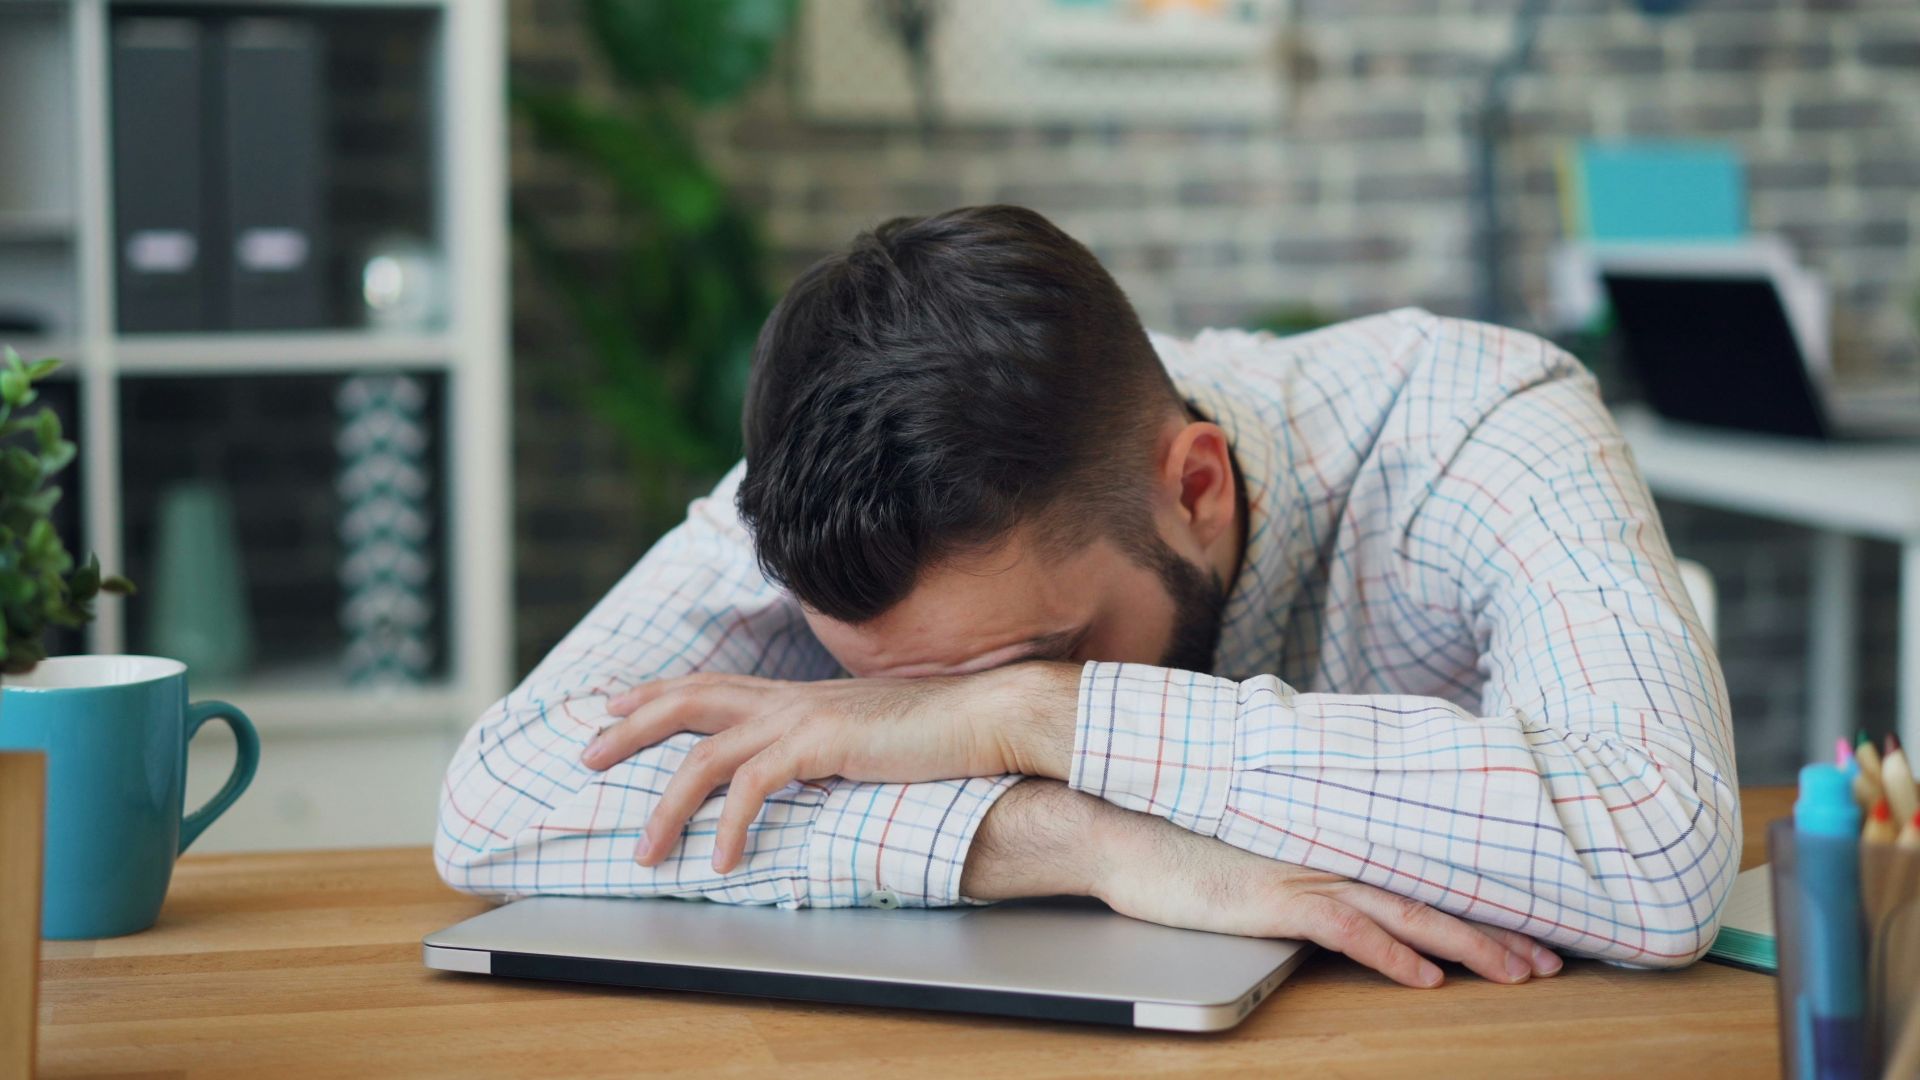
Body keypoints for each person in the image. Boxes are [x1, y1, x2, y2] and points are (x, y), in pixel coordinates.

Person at [436, 205, 1738, 989]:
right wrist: (1071, 839)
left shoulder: (1482, 422)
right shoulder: (825, 492)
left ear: (1198, 486)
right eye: (902, 692)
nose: (927, 723)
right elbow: (497, 802)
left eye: (1025, 657)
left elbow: (1659, 850)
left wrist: (1035, 718)